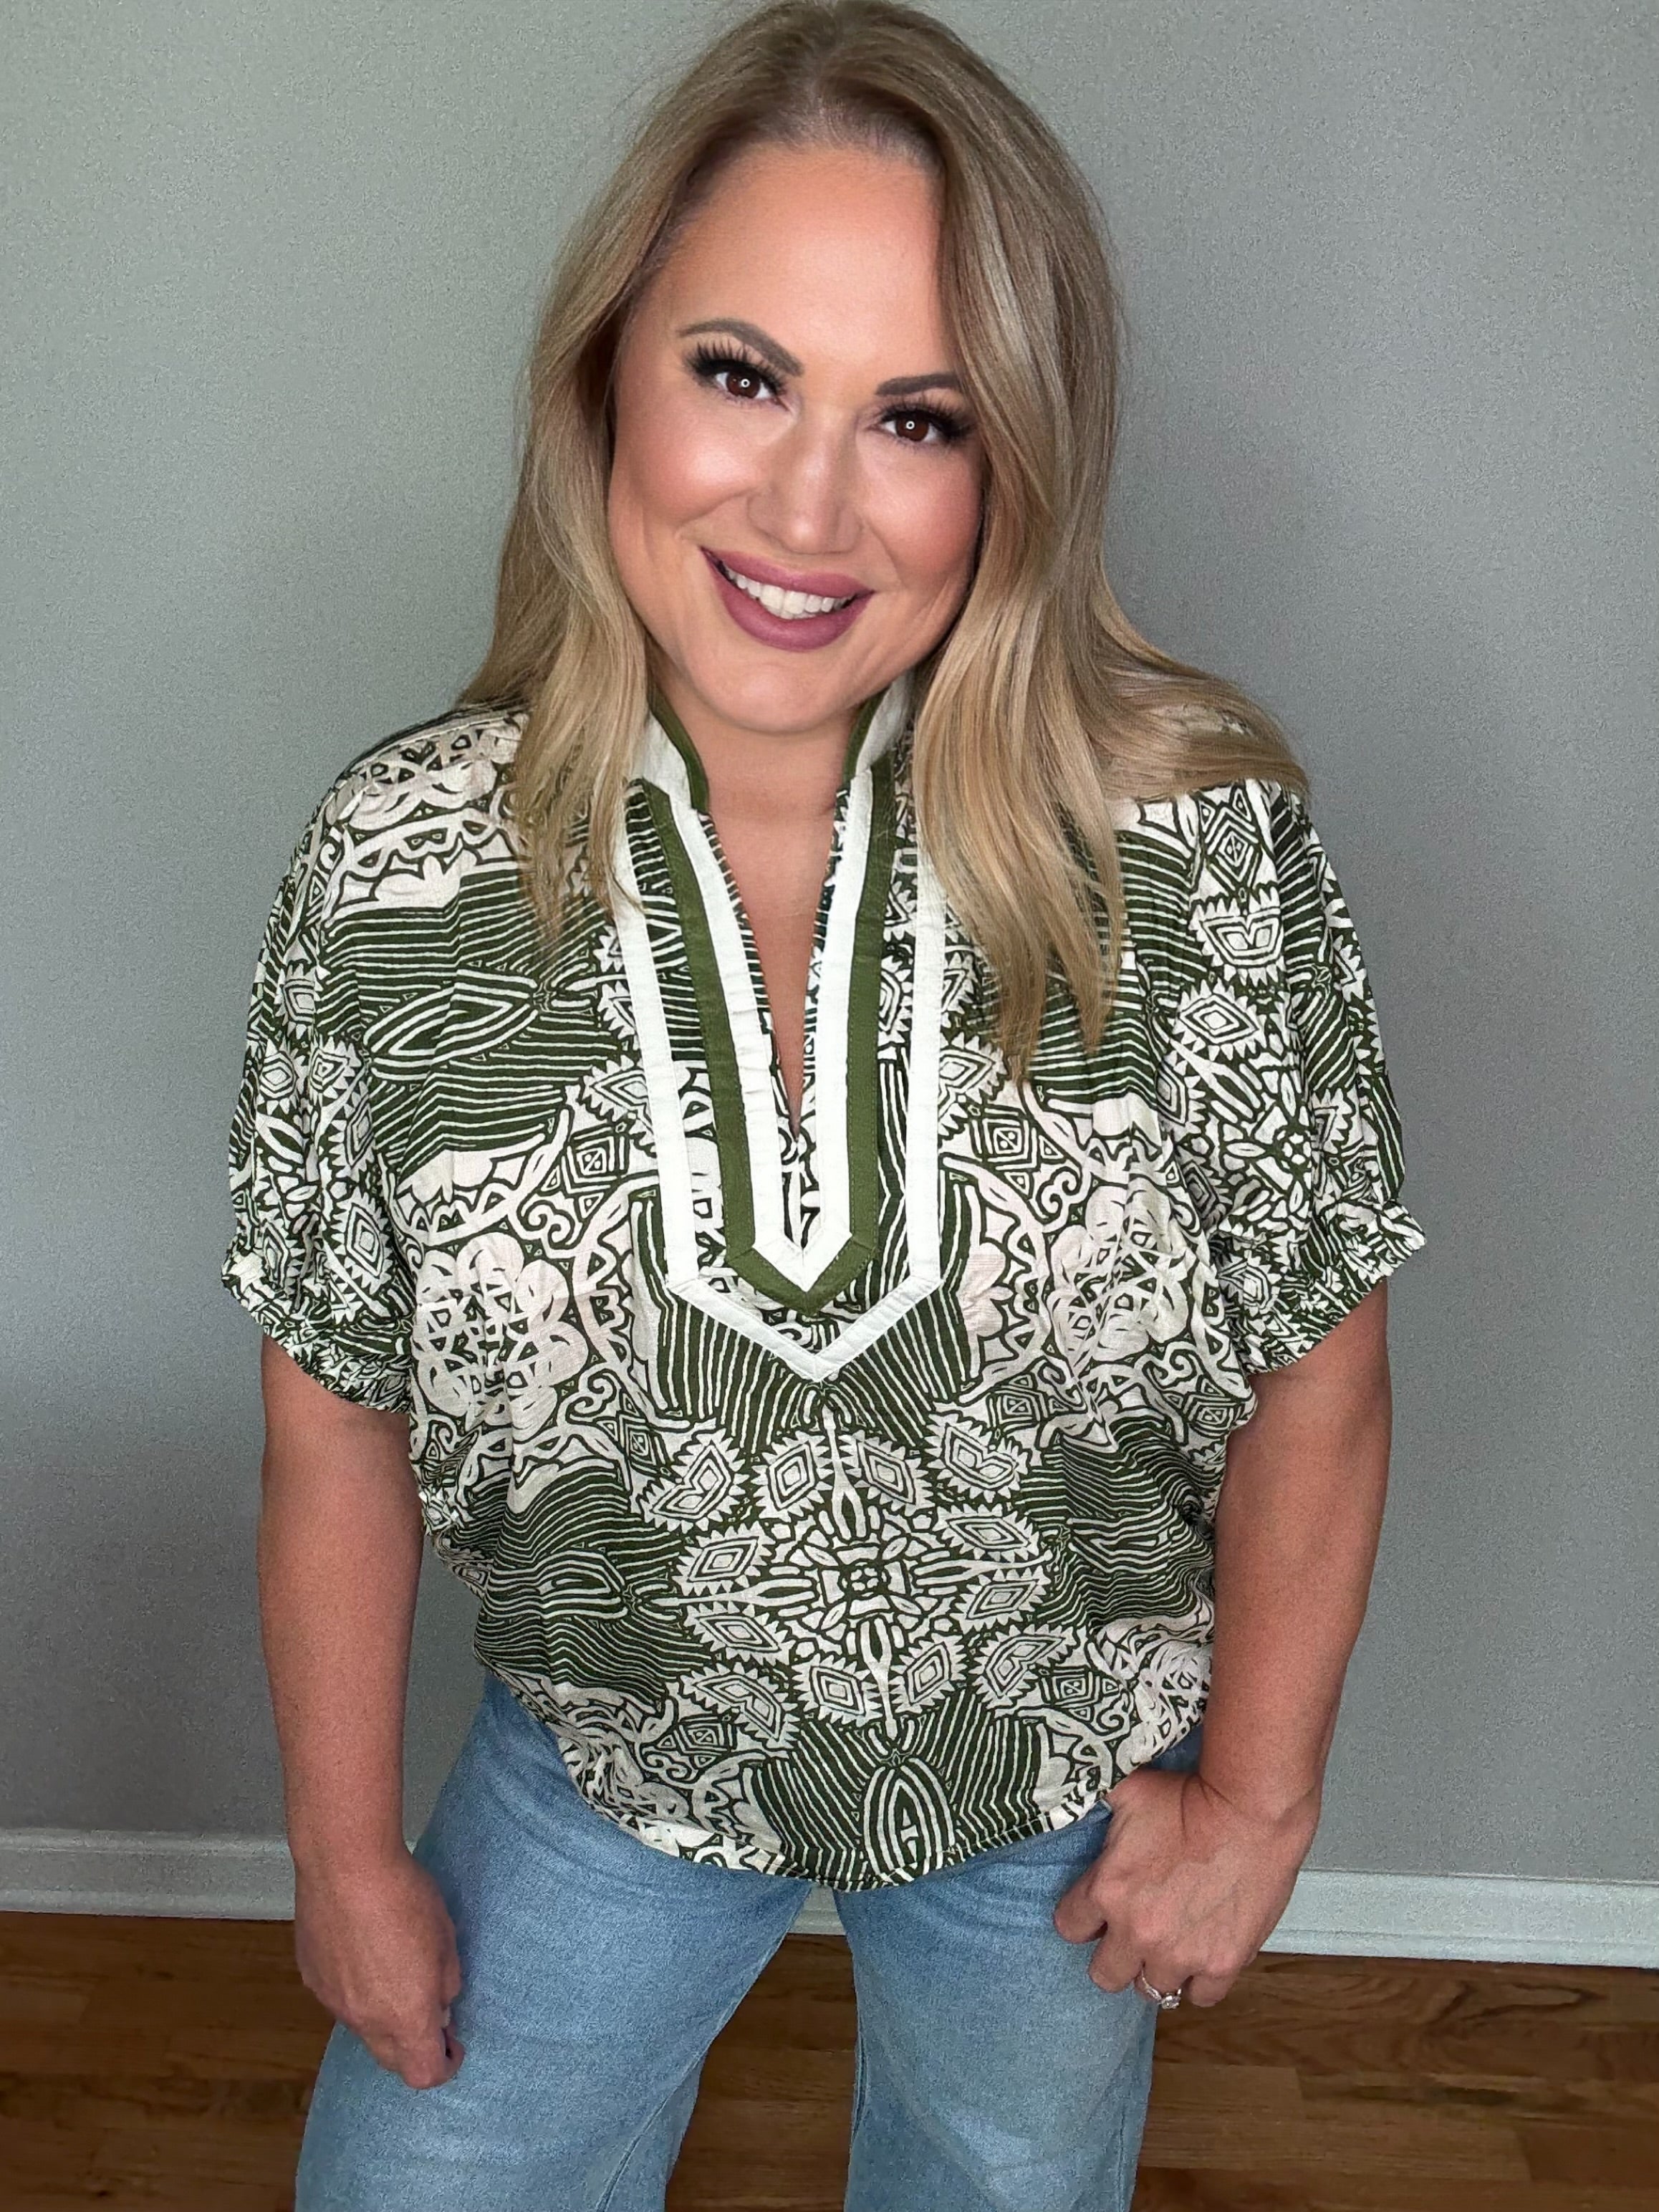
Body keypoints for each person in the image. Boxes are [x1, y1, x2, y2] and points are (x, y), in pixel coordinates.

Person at [223, 4, 1426, 2205]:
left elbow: (1318, 1367)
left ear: (1013, 464)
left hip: (1054, 1780)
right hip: (598, 1763)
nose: (804, 505)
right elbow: (333, 1423)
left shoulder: (1190, 845)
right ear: (607, 371)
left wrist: (1255, 1798)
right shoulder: (395, 871)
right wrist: (340, 1855)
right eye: (741, 373)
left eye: (918, 417)